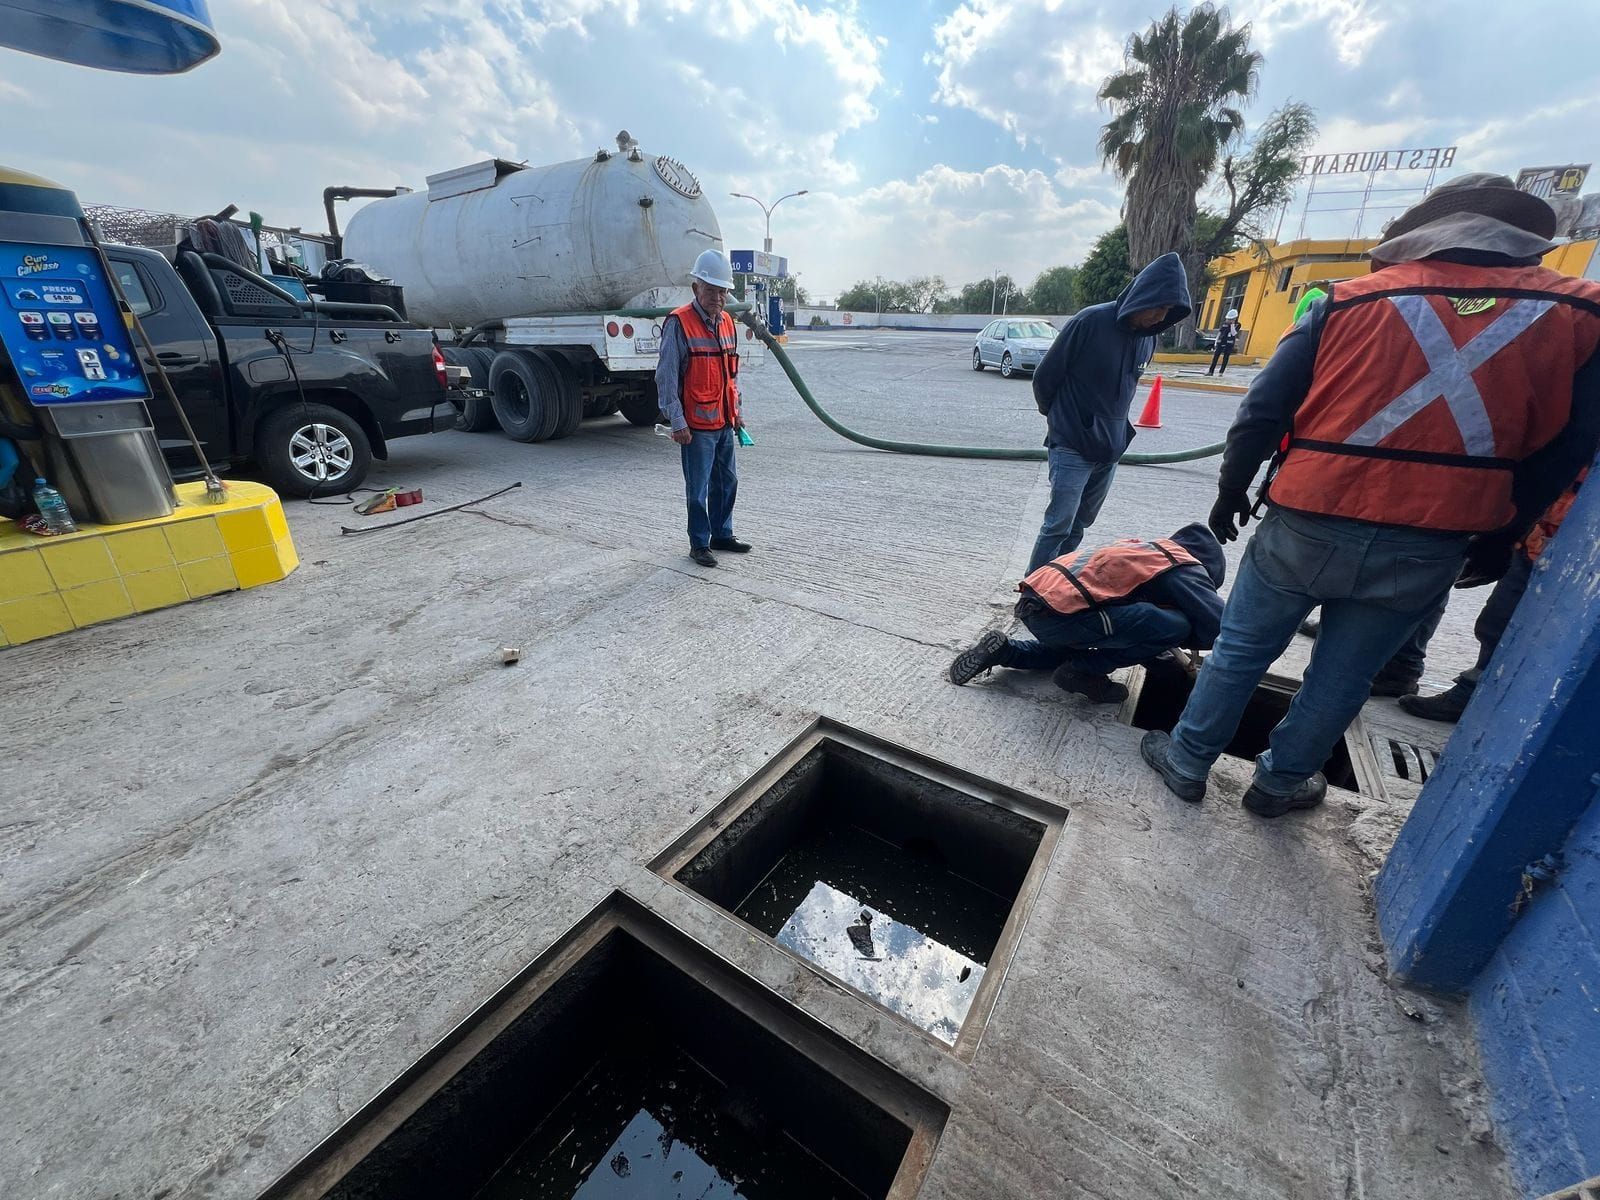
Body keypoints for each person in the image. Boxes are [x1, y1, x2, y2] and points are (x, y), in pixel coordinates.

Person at [1137, 173, 1600, 818]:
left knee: (1242, 649)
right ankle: (1280, 784)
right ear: (1524, 245)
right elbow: (1572, 447)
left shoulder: (1345, 301)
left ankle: (1187, 760)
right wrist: (1504, 534)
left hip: (1306, 518)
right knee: (1345, 676)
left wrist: (1229, 494)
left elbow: (1260, 414)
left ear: (1423, 237)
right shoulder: (1581, 314)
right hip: (1434, 537)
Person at [1026, 252, 1191, 571]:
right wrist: (1063, 422)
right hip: (1072, 444)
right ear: (1144, 296)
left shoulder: (1149, 339)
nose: (1160, 316)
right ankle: (1032, 591)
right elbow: (1045, 378)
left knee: (1079, 526)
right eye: (1158, 306)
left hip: (1110, 449)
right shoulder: (1090, 322)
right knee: (1057, 524)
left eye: (1169, 311)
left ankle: (1057, 583)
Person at [949, 523, 1225, 703]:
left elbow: (1144, 637)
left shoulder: (1142, 549)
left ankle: (1005, 650)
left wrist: (1166, 665)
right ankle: (1084, 672)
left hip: (1039, 605)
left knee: (1073, 651)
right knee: (1178, 626)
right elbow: (1218, 626)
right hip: (1066, 614)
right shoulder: (1184, 565)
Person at [1400, 469, 1589, 722]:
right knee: (1497, 621)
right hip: (1543, 535)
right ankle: (1472, 688)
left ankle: (1477, 696)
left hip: (1575, 548)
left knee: (1518, 629)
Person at [656, 249, 750, 568]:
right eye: (711, 289)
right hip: (695, 425)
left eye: (722, 290)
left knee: (728, 481)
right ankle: (700, 542)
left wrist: (736, 414)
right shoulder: (679, 322)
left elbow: (730, 375)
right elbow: (666, 376)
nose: (717, 296)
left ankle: (722, 533)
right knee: (698, 488)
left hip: (723, 421)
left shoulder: (726, 322)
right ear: (696, 288)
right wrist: (677, 421)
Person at [1207, 308, 1241, 375]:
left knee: (1226, 358)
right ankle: (1211, 371)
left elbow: (1234, 333)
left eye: (1230, 319)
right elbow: (1220, 332)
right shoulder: (1224, 324)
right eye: (1228, 319)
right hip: (1221, 342)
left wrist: (1232, 325)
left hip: (1229, 343)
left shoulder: (1238, 325)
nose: (1228, 320)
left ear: (1234, 319)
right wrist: (1216, 341)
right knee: (1215, 357)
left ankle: (1221, 372)